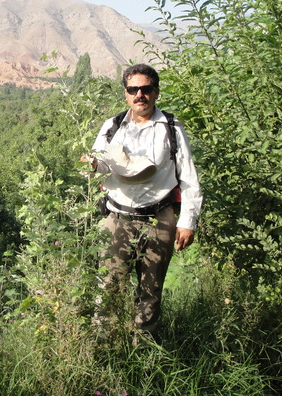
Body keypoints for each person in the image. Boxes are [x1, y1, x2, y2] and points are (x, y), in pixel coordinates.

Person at [83, 63, 202, 339]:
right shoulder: (113, 126)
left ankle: (143, 351)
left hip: (159, 219)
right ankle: (103, 348)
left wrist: (188, 222)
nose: (140, 95)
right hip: (118, 218)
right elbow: (101, 163)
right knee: (109, 287)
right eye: (133, 89)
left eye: (146, 89)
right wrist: (91, 165)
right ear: (125, 93)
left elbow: (189, 179)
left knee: (150, 291)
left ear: (156, 92)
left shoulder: (171, 128)